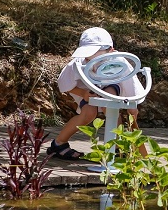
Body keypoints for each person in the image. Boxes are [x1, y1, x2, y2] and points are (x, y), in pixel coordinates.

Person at [47, 27, 145, 160]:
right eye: (88, 57)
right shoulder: (78, 63)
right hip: (89, 89)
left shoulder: (120, 62)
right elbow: (64, 84)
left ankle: (116, 147)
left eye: (98, 57)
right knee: (88, 114)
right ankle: (59, 144)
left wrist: (132, 108)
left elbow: (130, 85)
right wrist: (82, 93)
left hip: (111, 87)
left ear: (111, 50)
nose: (91, 61)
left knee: (110, 106)